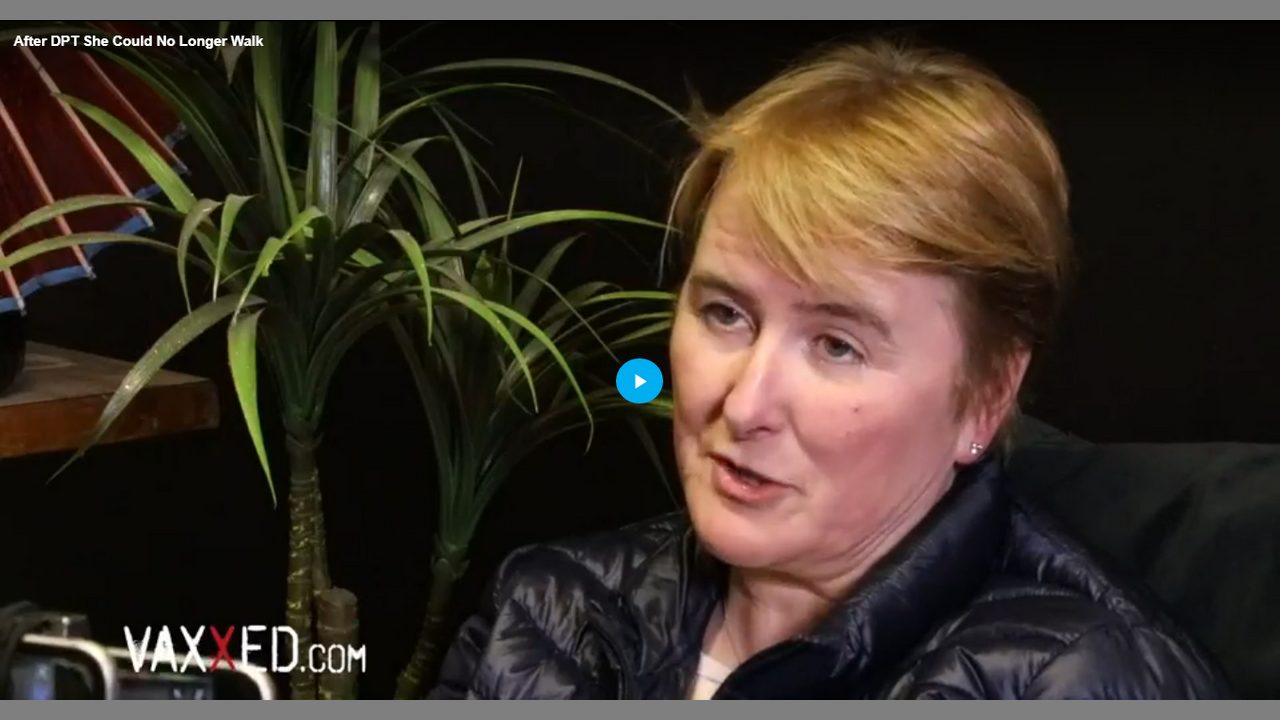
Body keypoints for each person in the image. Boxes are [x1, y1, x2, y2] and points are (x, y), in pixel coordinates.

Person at [427, 37, 1235, 700]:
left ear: (986, 399)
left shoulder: (1081, 680)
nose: (744, 405)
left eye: (837, 345)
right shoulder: (546, 611)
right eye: (726, 314)